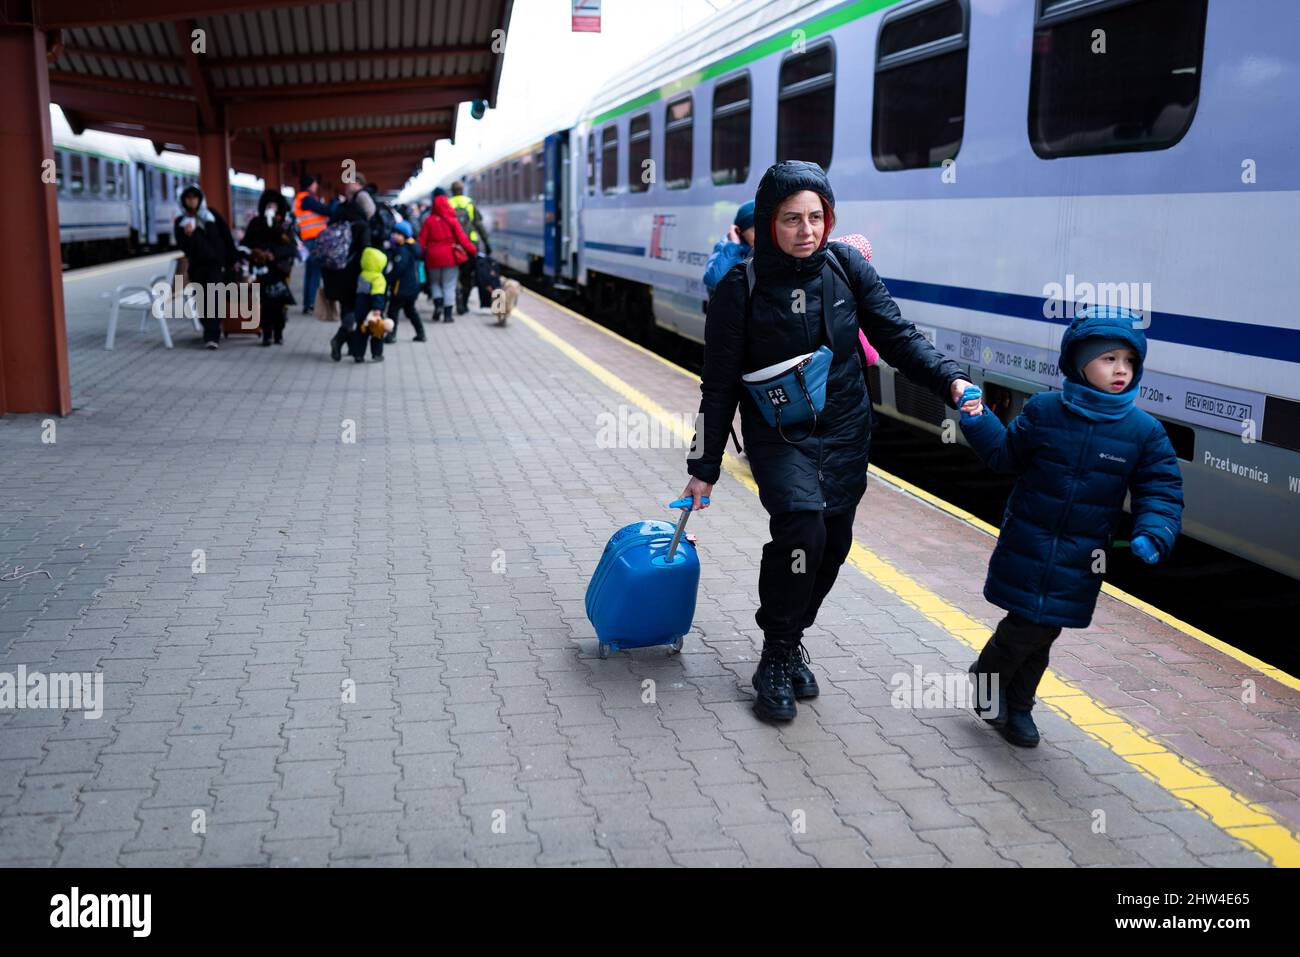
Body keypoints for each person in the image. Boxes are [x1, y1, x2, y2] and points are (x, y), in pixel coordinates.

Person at [681, 160, 978, 723]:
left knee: (834, 544)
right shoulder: (737, 290)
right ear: (769, 223)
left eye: (816, 217)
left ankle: (793, 638)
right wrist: (705, 465)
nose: (806, 230)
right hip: (779, 435)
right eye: (791, 219)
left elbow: (896, 335)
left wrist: (950, 379)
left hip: (844, 429)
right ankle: (773, 656)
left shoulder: (846, 269)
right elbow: (717, 388)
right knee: (802, 529)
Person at [961, 306, 1183, 748]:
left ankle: (1019, 706)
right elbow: (1006, 455)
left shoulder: (1144, 432)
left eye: (1129, 361)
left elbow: (1160, 488)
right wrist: (977, 419)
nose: (1121, 369)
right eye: (1109, 359)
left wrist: (1154, 531)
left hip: (1083, 555)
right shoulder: (1045, 410)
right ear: (1080, 363)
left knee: (1046, 630)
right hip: (1029, 540)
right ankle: (989, 682)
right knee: (1028, 624)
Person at [174, 185, 236, 350]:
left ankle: (212, 335)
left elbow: (226, 237)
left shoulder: (212, 215)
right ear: (184, 201)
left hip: (216, 265)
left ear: (200, 199)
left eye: (195, 198)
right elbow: (184, 247)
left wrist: (232, 259)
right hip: (197, 267)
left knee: (215, 298)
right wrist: (187, 235)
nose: (192, 201)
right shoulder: (181, 222)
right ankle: (210, 329)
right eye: (188, 198)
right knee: (202, 301)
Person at [324, 178, 376, 361]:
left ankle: (352, 347)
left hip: (335, 273)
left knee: (347, 309)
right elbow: (366, 252)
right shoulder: (362, 226)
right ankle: (339, 340)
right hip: (354, 274)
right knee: (356, 310)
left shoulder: (334, 222)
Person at [243, 190, 298, 346]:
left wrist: (274, 254)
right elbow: (246, 244)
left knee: (279, 304)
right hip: (261, 270)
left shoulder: (285, 225)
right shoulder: (255, 223)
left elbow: (292, 248)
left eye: (273, 205)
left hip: (279, 270)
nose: (271, 208)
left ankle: (278, 333)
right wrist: (258, 253)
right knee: (265, 303)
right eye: (268, 205)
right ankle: (266, 333)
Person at [417, 187, 476, 324]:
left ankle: (438, 307)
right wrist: (473, 250)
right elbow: (463, 239)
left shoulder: (429, 220)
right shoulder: (452, 220)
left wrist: (416, 253)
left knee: (435, 283)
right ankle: (448, 315)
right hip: (450, 256)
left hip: (432, 257)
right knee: (449, 285)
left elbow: (421, 240)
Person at [448, 180, 490, 315]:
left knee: (455, 276)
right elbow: (479, 224)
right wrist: (486, 242)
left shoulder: (448, 204)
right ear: (462, 190)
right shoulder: (469, 203)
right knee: (467, 276)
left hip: (453, 246)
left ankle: (457, 300)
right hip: (469, 246)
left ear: (452, 191)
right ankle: (464, 304)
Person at [293, 174, 330, 314]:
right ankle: (311, 304)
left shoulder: (302, 199)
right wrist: (333, 204)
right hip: (313, 239)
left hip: (308, 239)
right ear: (309, 185)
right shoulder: (306, 199)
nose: (316, 186)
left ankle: (307, 304)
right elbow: (325, 210)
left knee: (310, 273)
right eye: (315, 184)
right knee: (314, 272)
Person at [703, 200, 754, 297]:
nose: (761, 235)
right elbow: (714, 281)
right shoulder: (727, 246)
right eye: (754, 230)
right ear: (739, 231)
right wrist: (733, 245)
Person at [384, 222, 425, 342]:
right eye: (394, 233)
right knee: (410, 310)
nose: (394, 236)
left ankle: (391, 335)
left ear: (404, 235)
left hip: (401, 287)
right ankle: (421, 333)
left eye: (398, 234)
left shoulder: (403, 250)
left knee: (393, 311)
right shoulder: (413, 247)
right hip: (413, 286)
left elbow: (399, 269)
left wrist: (388, 280)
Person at [346, 247, 389, 362]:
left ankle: (358, 355)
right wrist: (377, 309)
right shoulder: (378, 278)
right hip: (373, 312)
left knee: (361, 333)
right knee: (377, 333)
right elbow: (377, 295)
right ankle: (377, 354)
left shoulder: (362, 275)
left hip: (360, 311)